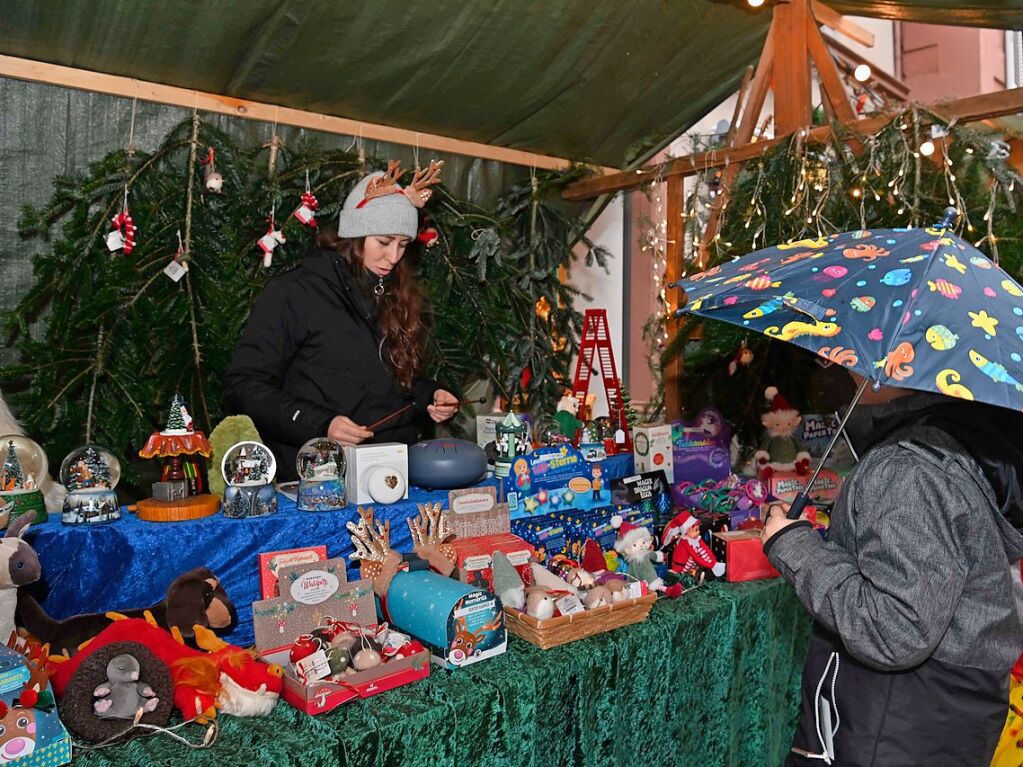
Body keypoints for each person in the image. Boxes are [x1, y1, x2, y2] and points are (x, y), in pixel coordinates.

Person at [762, 373, 1023, 766]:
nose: (836, 364)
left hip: (895, 723)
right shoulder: (954, 446)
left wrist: (794, 545)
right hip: (937, 718)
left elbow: (894, 630)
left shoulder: (908, 469)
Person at [227, 163, 459, 481]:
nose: (393, 257)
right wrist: (321, 426)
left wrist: (428, 396)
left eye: (403, 245)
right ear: (355, 233)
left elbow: (391, 383)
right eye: (384, 242)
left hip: (392, 476)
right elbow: (246, 384)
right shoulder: (295, 291)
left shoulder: (396, 292)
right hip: (316, 480)